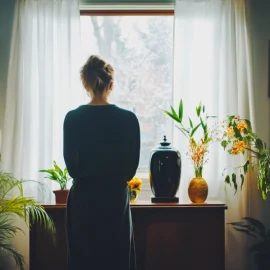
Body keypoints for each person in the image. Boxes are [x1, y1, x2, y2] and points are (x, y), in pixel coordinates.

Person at [63, 55, 141, 270]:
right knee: (116, 259)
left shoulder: (72, 119)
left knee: (83, 260)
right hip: (114, 200)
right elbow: (130, 168)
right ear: (111, 84)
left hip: (83, 201)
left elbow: (72, 168)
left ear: (85, 84)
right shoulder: (128, 119)